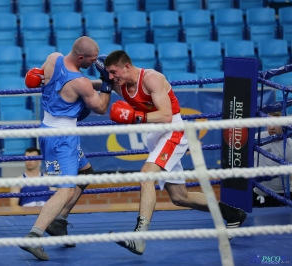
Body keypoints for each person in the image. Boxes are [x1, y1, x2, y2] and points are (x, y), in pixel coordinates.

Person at [99, 50, 247, 255]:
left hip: (172, 132)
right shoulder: (119, 85)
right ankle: (233, 214)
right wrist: (72, 81)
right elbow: (92, 87)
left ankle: (140, 238)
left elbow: (166, 115)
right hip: (155, 136)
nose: (113, 77)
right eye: (110, 74)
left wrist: (136, 118)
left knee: (146, 176)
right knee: (179, 197)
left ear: (127, 66)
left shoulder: (151, 78)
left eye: (114, 72)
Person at [19, 36, 111, 261]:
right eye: (90, 60)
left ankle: (59, 222)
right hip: (63, 137)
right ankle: (35, 235)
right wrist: (108, 84)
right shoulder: (80, 82)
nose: (93, 62)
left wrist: (104, 83)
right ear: (81, 58)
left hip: (48, 126)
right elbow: (100, 107)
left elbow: (37, 80)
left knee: (86, 173)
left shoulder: (53, 59)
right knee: (66, 189)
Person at [253, 111, 292, 207]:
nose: (271, 127)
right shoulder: (257, 138)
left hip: (283, 195)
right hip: (258, 192)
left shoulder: (290, 145)